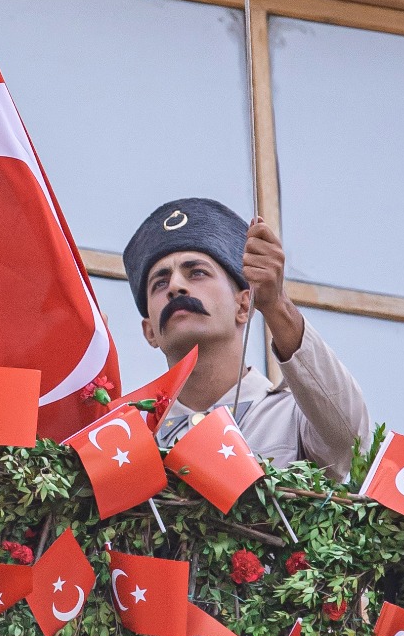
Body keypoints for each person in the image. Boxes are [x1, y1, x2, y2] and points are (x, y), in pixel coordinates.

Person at [122, 198, 370, 481]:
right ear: (149, 331)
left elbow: (352, 443)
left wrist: (277, 306)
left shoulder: (290, 417)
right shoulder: (128, 439)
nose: (176, 286)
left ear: (243, 306)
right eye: (160, 282)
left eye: (197, 273)